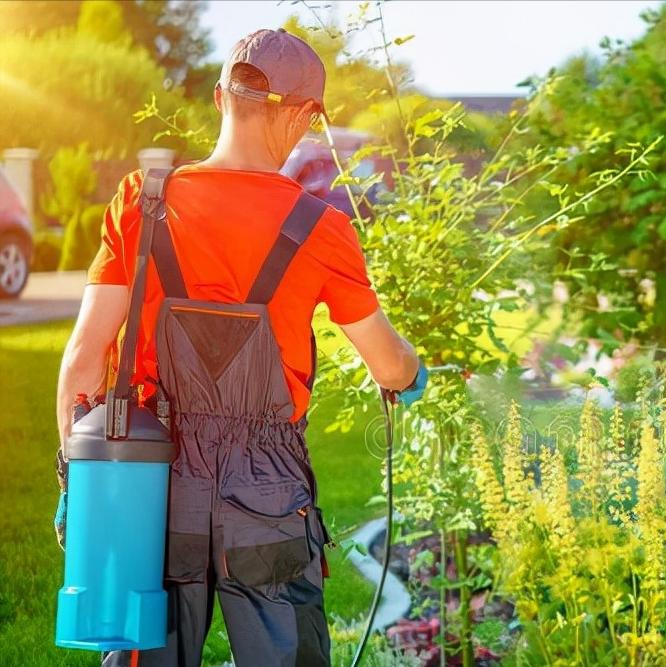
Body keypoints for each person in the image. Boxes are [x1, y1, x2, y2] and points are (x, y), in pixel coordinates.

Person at [54, 28, 423, 666]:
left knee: (147, 652)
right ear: (306, 116)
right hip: (269, 490)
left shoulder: (142, 203)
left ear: (222, 97)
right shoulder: (322, 228)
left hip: (151, 479)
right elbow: (388, 363)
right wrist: (410, 372)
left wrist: (78, 482)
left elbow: (84, 359)